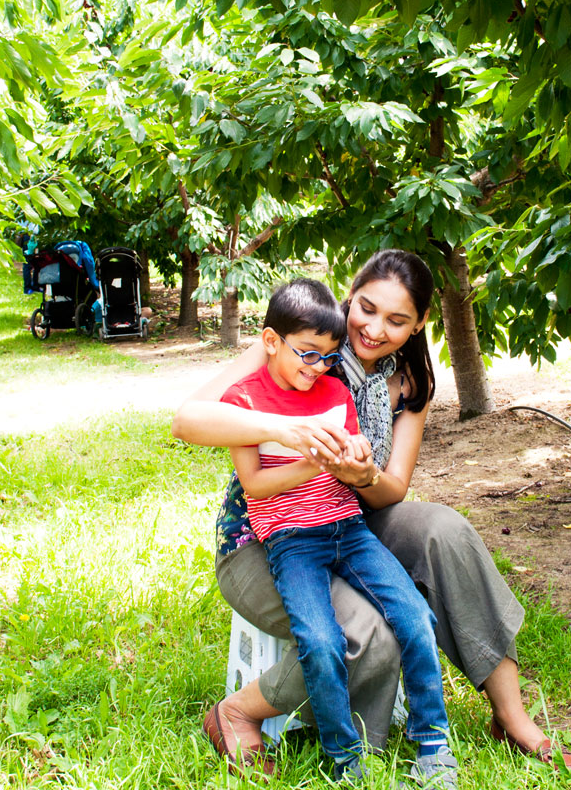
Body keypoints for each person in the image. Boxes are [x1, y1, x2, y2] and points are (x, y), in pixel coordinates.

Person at [179, 249, 571, 774]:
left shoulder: (408, 382)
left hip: (351, 517)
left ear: (420, 325)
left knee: (446, 530)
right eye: (366, 308)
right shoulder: (305, 339)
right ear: (351, 291)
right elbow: (188, 421)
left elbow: (392, 491)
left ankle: (511, 716)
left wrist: (362, 474)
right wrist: (284, 432)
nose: (373, 329)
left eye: (396, 320)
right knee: (367, 630)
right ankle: (239, 712)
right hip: (267, 535)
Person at [213, 278, 456, 785]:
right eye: (306, 354)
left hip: (347, 528)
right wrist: (310, 462)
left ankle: (432, 740)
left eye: (326, 356)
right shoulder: (244, 401)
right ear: (271, 341)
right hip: (290, 541)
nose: (316, 367)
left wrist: (357, 459)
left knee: (414, 615)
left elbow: (359, 453)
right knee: (321, 640)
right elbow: (255, 485)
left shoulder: (332, 389)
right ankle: (344, 757)